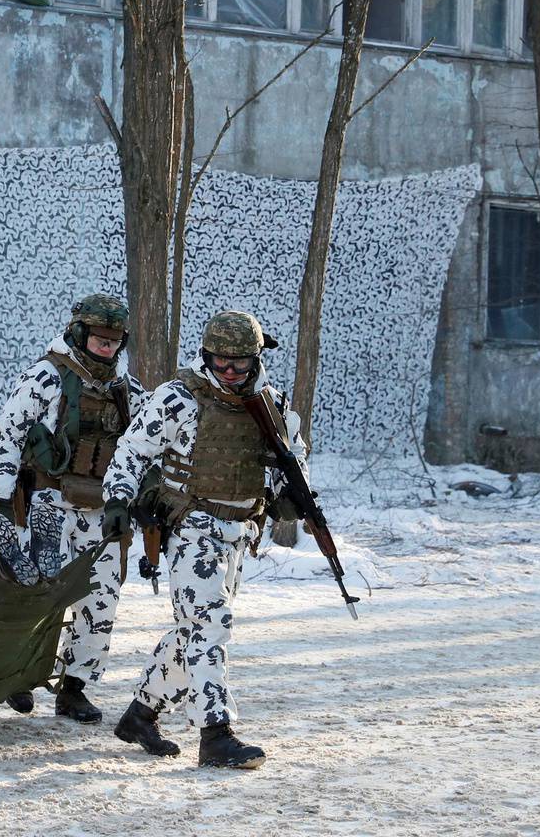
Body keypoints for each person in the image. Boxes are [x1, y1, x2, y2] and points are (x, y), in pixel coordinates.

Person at [101, 310, 303, 769]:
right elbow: (131, 452)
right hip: (191, 525)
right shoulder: (177, 399)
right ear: (206, 355)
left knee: (194, 628)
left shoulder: (269, 403)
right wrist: (117, 501)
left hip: (239, 529)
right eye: (220, 362)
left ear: (256, 359)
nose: (229, 373)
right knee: (211, 625)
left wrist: (287, 499)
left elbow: (292, 456)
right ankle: (216, 734)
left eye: (240, 364)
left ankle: (141, 713)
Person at [0, 293, 144, 722]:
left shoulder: (127, 390)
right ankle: (15, 673)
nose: (107, 347)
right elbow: (7, 433)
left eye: (114, 340)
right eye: (99, 338)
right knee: (39, 592)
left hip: (103, 510)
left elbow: (144, 447)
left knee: (101, 599)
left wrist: (142, 501)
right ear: (79, 332)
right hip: (49, 502)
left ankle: (74, 688)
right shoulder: (46, 377)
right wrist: (0, 498)